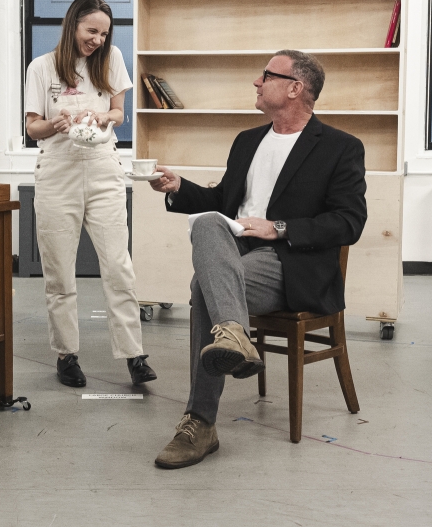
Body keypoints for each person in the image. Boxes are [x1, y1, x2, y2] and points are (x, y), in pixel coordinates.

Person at [146, 50, 367, 468]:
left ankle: (200, 421)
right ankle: (234, 333)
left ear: (294, 87)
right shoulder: (248, 140)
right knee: (208, 222)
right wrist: (179, 187)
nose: (256, 81)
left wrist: (278, 227)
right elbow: (222, 202)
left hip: (290, 263)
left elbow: (348, 222)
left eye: (266, 75)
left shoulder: (340, 147)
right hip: (238, 253)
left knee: (202, 287)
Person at [24, 0, 157, 387]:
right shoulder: (41, 67)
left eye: (104, 33)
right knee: (60, 272)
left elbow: (118, 113)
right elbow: (33, 127)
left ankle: (134, 355)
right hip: (57, 172)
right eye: (91, 31)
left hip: (102, 170)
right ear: (72, 25)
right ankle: (67, 355)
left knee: (118, 267)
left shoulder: (111, 59)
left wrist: (103, 116)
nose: (98, 39)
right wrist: (55, 124)